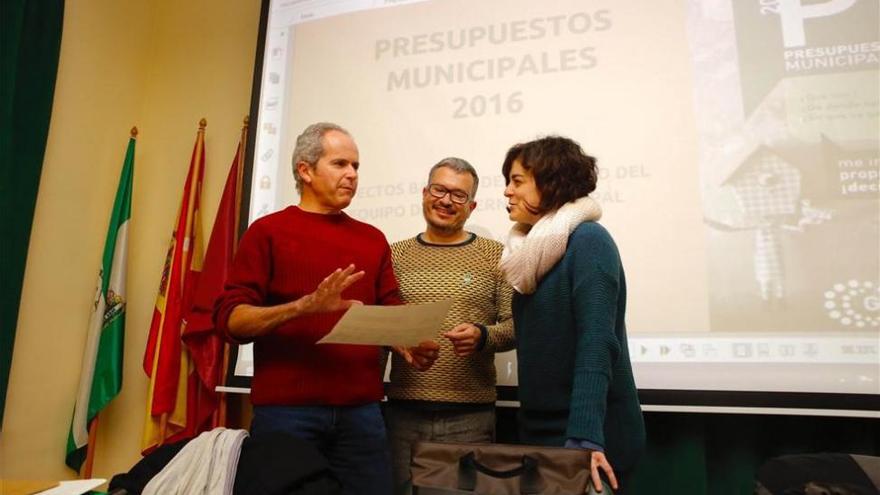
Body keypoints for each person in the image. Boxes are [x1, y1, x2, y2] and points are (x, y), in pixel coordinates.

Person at [213, 122, 439, 495]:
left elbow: (390, 307)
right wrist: (305, 307)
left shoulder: (372, 238)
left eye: (356, 166)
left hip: (362, 414)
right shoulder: (268, 232)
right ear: (305, 170)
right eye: (340, 164)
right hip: (287, 414)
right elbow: (231, 321)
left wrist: (408, 341)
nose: (352, 175)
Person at [499, 136, 645, 493]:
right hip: (539, 431)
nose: (506, 192)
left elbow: (597, 342)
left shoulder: (589, 241)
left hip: (589, 436)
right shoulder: (527, 253)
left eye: (517, 181)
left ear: (551, 183)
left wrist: (584, 438)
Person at [385, 157, 516, 494]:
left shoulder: (495, 255)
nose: (446, 201)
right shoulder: (393, 255)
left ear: (471, 206)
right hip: (402, 414)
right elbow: (379, 324)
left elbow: (516, 326)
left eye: (458, 196)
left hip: (470, 417)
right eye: (440, 190)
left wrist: (484, 335)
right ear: (424, 193)